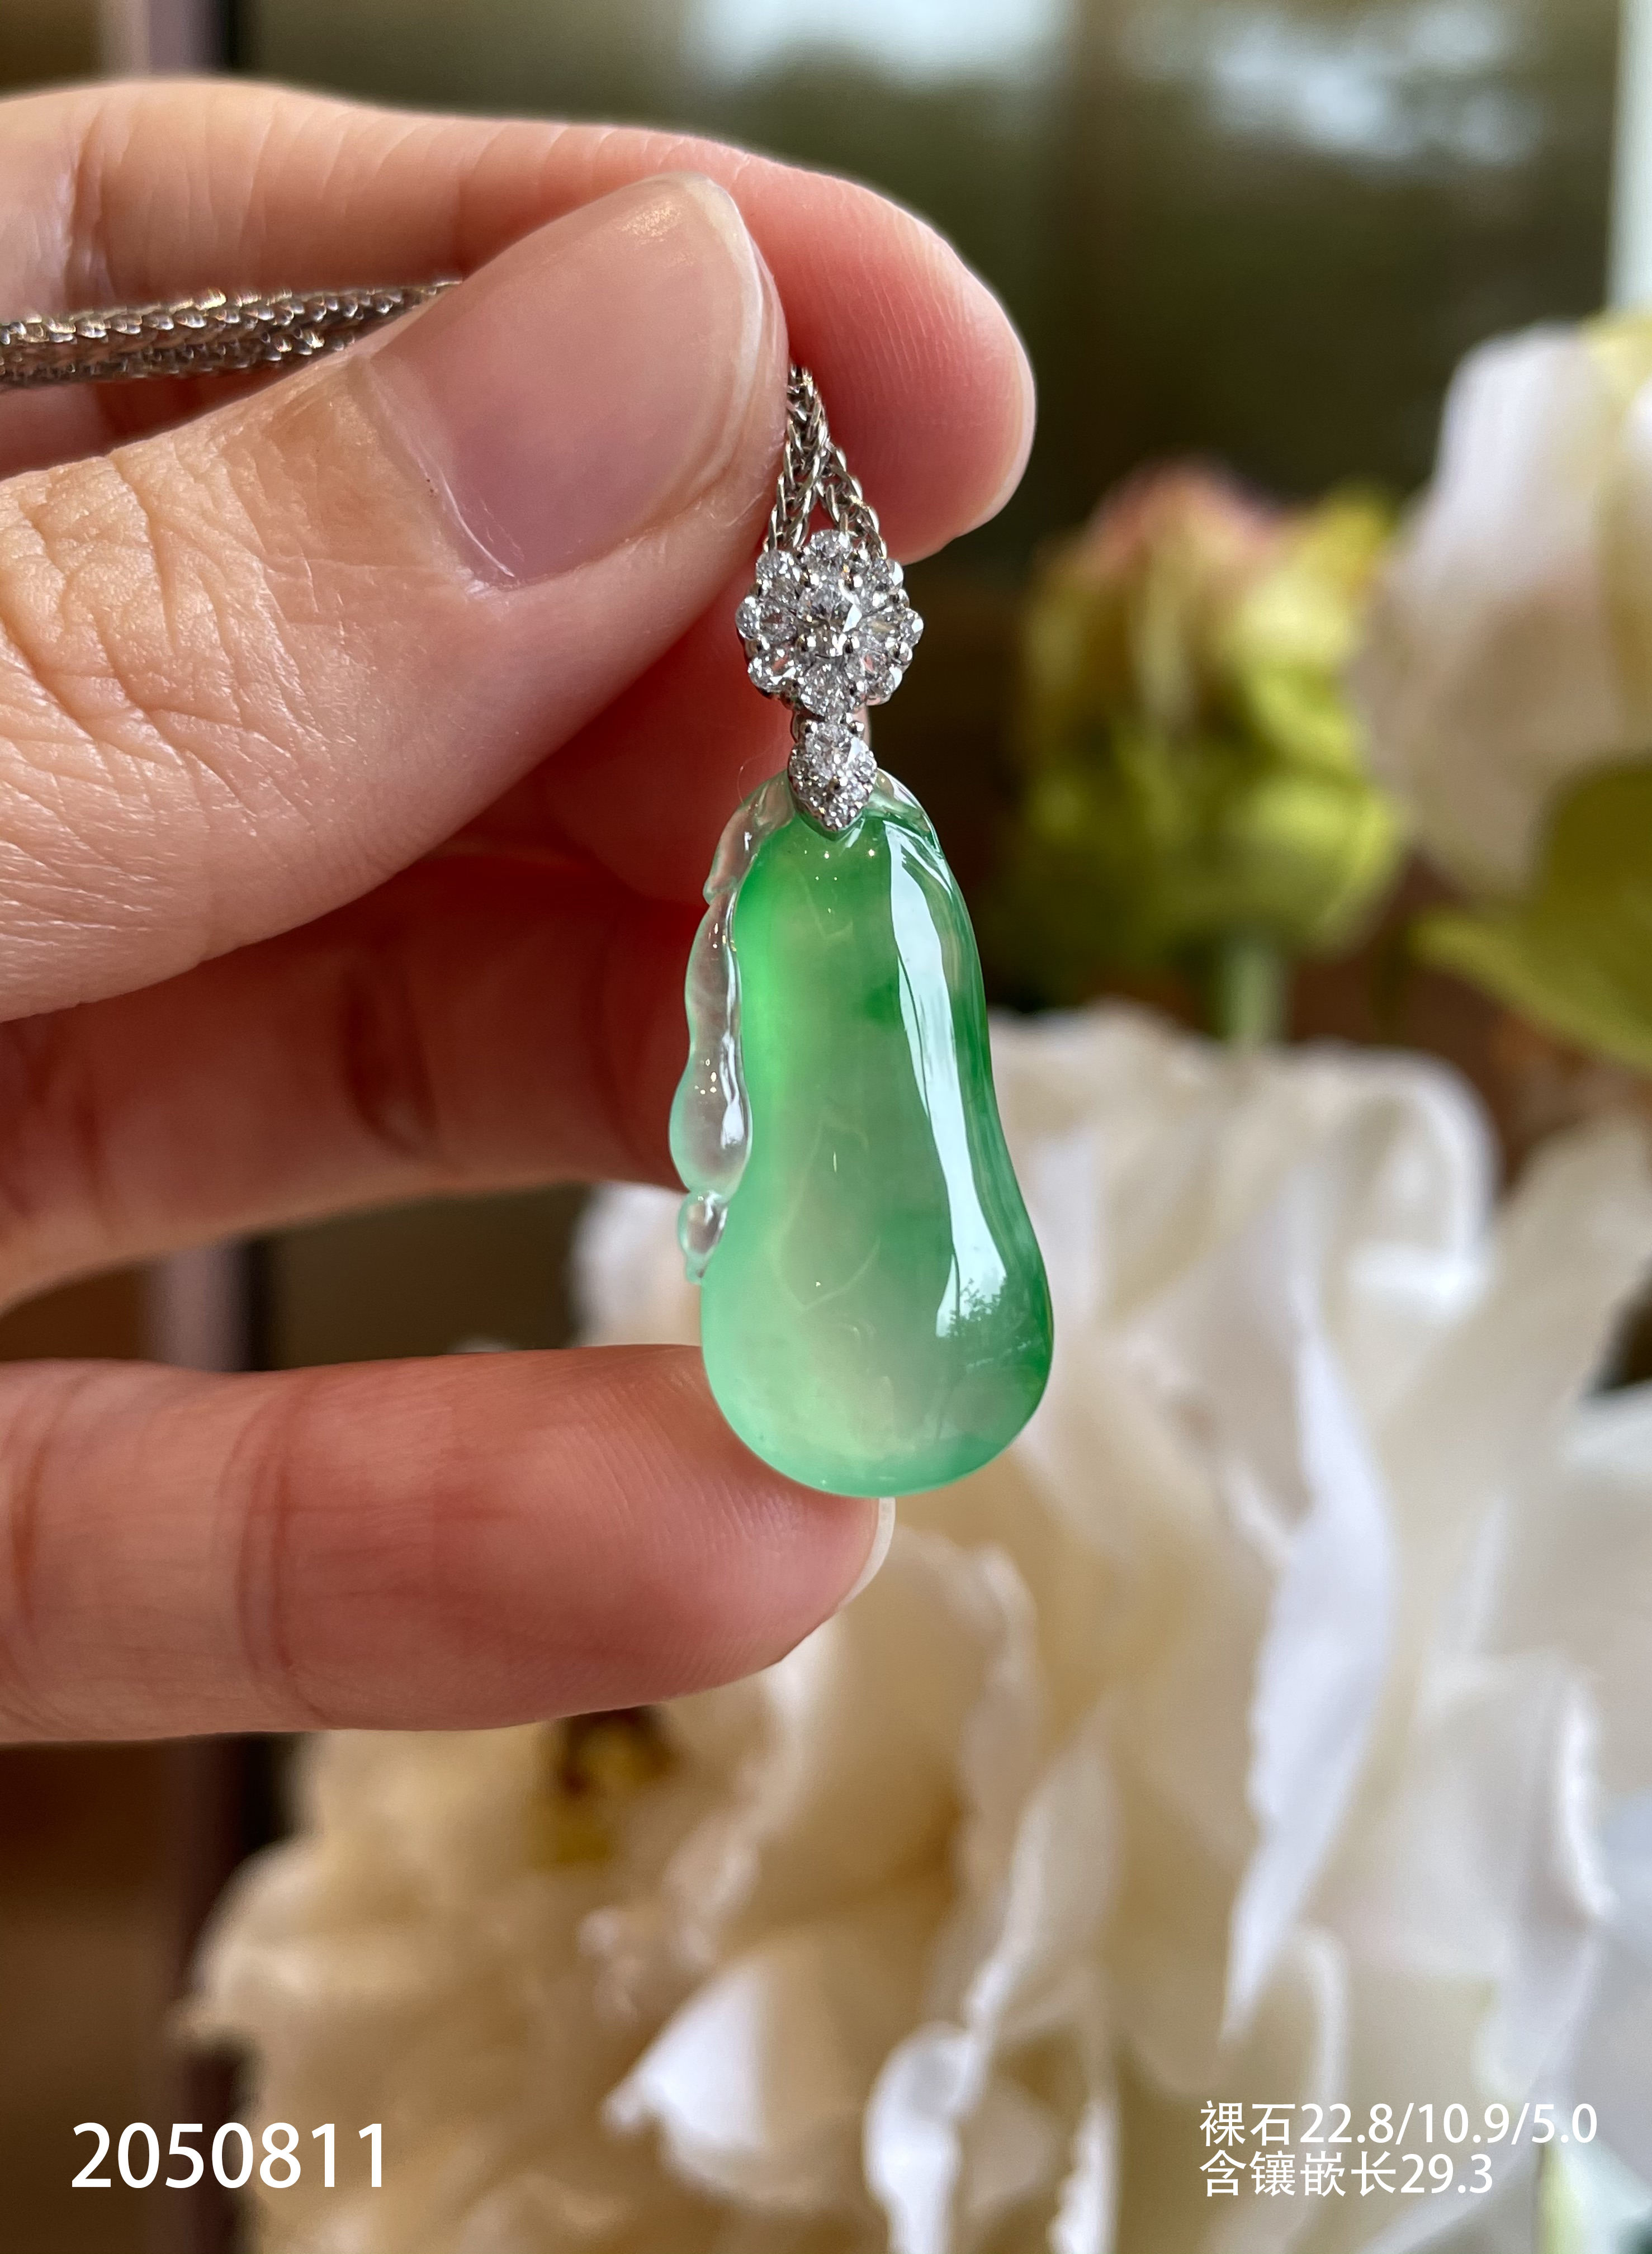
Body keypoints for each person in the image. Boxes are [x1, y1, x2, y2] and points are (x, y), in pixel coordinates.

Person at [0, 77, 1033, 1743]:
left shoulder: (843, 872)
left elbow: (714, 1088)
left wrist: (718, 1169)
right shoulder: (847, 873)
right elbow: (715, 1079)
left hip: (888, 1334)